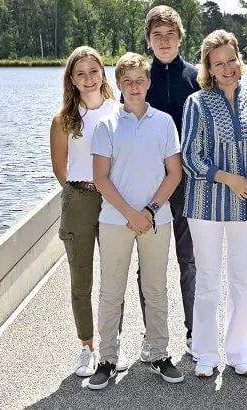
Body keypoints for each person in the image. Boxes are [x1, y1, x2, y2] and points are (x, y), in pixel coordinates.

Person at [88, 52, 184, 389]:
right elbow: (101, 178)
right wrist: (131, 213)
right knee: (111, 291)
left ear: (148, 83)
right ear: (118, 85)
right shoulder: (107, 125)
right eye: (127, 81)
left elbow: (174, 173)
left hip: (156, 218)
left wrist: (149, 211)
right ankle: (108, 359)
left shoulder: (163, 123)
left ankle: (158, 353)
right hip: (115, 220)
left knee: (156, 288)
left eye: (139, 80)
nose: (134, 86)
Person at [181, 30, 247, 378]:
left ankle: (239, 352)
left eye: (231, 59)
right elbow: (189, 156)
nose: (227, 67)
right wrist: (226, 177)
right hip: (205, 206)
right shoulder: (197, 103)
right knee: (208, 279)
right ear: (209, 68)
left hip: (246, 207)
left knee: (241, 280)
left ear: (238, 59)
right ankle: (205, 353)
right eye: (219, 63)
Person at [49, 46, 128, 377]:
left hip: (112, 197)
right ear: (72, 79)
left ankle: (112, 346)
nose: (88, 78)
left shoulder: (120, 111)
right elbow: (60, 169)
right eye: (80, 73)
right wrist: (81, 193)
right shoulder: (63, 119)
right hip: (79, 200)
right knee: (81, 279)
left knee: (113, 277)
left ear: (102, 72)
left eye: (93, 71)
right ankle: (87, 347)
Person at [135, 5, 200, 363]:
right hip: (149, 186)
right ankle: (153, 333)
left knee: (189, 260)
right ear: (148, 40)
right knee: (149, 264)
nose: (164, 41)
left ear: (180, 38)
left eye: (170, 34)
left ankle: (195, 331)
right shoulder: (140, 80)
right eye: (157, 35)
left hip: (188, 185)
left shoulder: (195, 77)